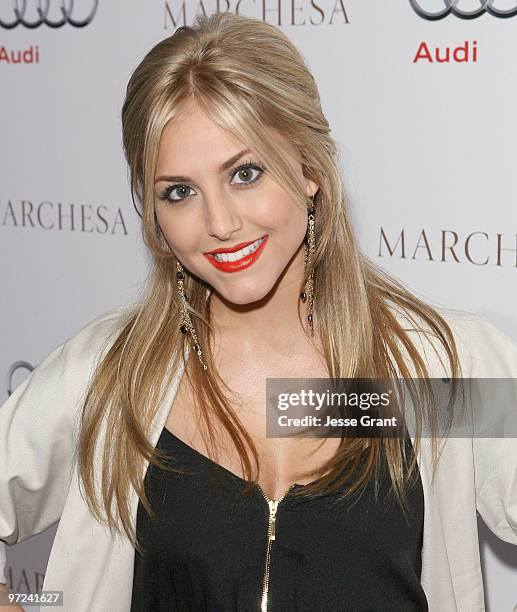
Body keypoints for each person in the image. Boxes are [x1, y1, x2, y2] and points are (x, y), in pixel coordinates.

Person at [1, 11, 516, 612]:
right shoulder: (109, 378)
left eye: (245, 174)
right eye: (179, 192)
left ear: (309, 168)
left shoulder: (433, 373)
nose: (219, 224)